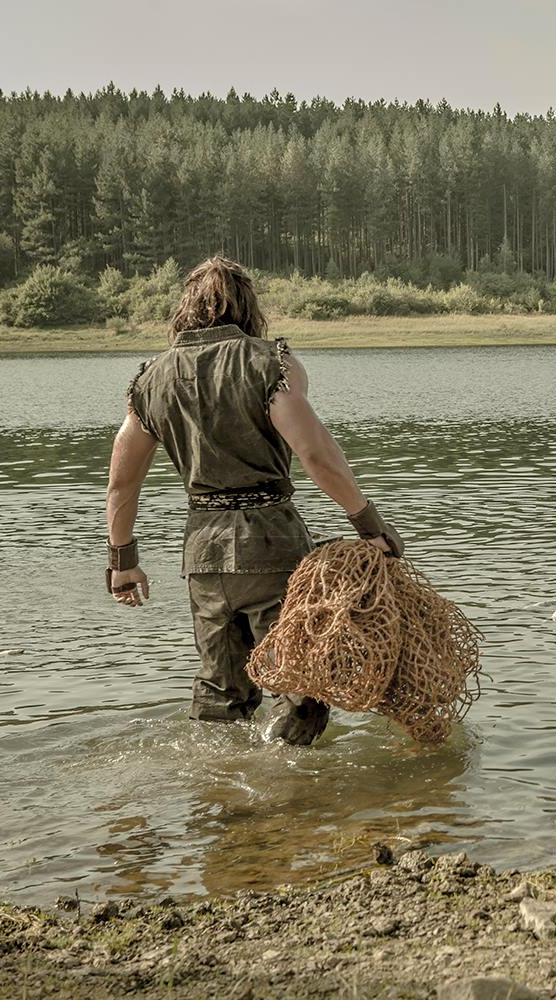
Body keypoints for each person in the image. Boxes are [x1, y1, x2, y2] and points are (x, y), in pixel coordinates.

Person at [103, 256, 402, 746]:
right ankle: (282, 781)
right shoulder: (271, 363)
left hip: (203, 554)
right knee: (301, 687)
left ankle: (219, 783)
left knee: (221, 692)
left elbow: (121, 482)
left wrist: (122, 561)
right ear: (247, 306)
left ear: (185, 308)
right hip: (270, 543)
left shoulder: (150, 379)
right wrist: (369, 524)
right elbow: (315, 453)